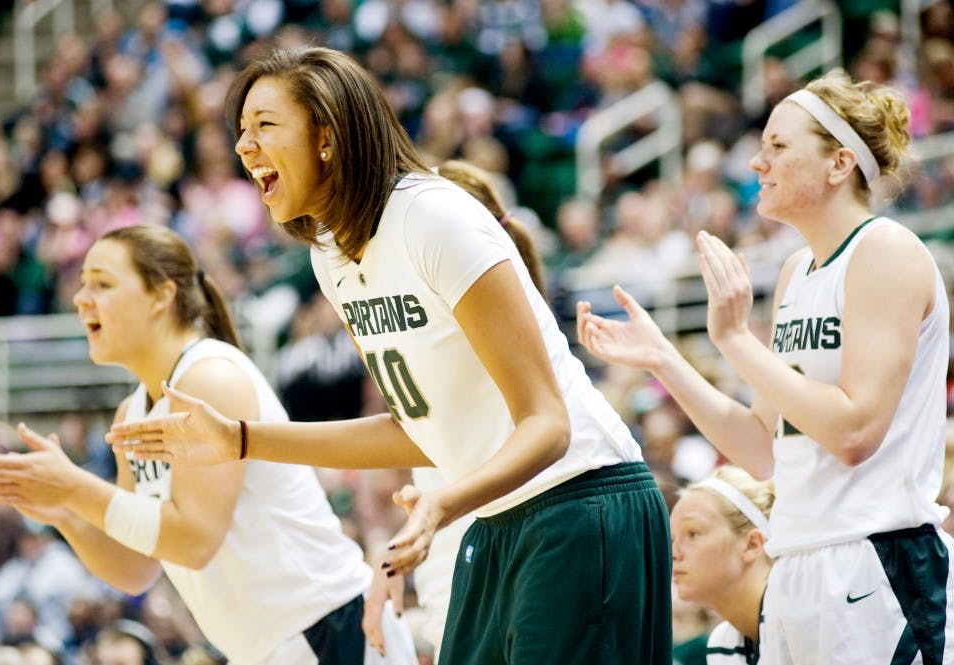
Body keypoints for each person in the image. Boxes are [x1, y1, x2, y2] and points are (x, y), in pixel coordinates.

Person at [105, 47, 672, 665]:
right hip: (497, 518)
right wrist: (240, 439)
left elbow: (549, 423)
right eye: (240, 131)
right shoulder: (331, 258)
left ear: (326, 135)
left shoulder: (433, 217)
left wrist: (445, 501)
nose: (243, 146)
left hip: (580, 499)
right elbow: (417, 431)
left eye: (264, 125)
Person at [577, 68, 954, 663]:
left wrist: (734, 341)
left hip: (877, 558)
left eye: (778, 146)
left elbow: (854, 432)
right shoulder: (794, 275)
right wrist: (665, 360)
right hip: (797, 562)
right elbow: (764, 450)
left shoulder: (885, 251)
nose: (758, 163)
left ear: (839, 163)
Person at [0, 225, 416, 665]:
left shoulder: (209, 378)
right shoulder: (134, 411)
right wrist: (63, 513)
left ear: (162, 296)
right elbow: (134, 567)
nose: (82, 298)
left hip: (328, 625)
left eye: (102, 284)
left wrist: (75, 488)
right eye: (83, 284)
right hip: (268, 645)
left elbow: (195, 540)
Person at [361, 159, 546, 661]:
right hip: (449, 562)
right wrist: (399, 548)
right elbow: (443, 453)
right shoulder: (426, 343)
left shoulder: (504, 354)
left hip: (504, 551)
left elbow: (500, 455)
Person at [671, 466, 775, 664]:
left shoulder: (800, 620)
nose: (675, 554)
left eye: (692, 533)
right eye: (673, 539)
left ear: (752, 544)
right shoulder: (723, 641)